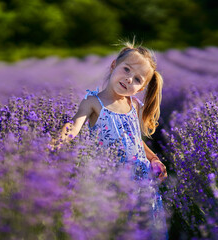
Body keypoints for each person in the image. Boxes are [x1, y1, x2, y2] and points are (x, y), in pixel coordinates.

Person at [54, 42, 168, 239]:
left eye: (137, 79)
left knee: (142, 229)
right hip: (109, 182)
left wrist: (154, 159)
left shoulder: (134, 106)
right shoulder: (92, 103)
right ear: (113, 65)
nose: (128, 78)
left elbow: (135, 141)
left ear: (140, 88)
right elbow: (73, 127)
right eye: (126, 69)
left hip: (140, 182)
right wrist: (56, 142)